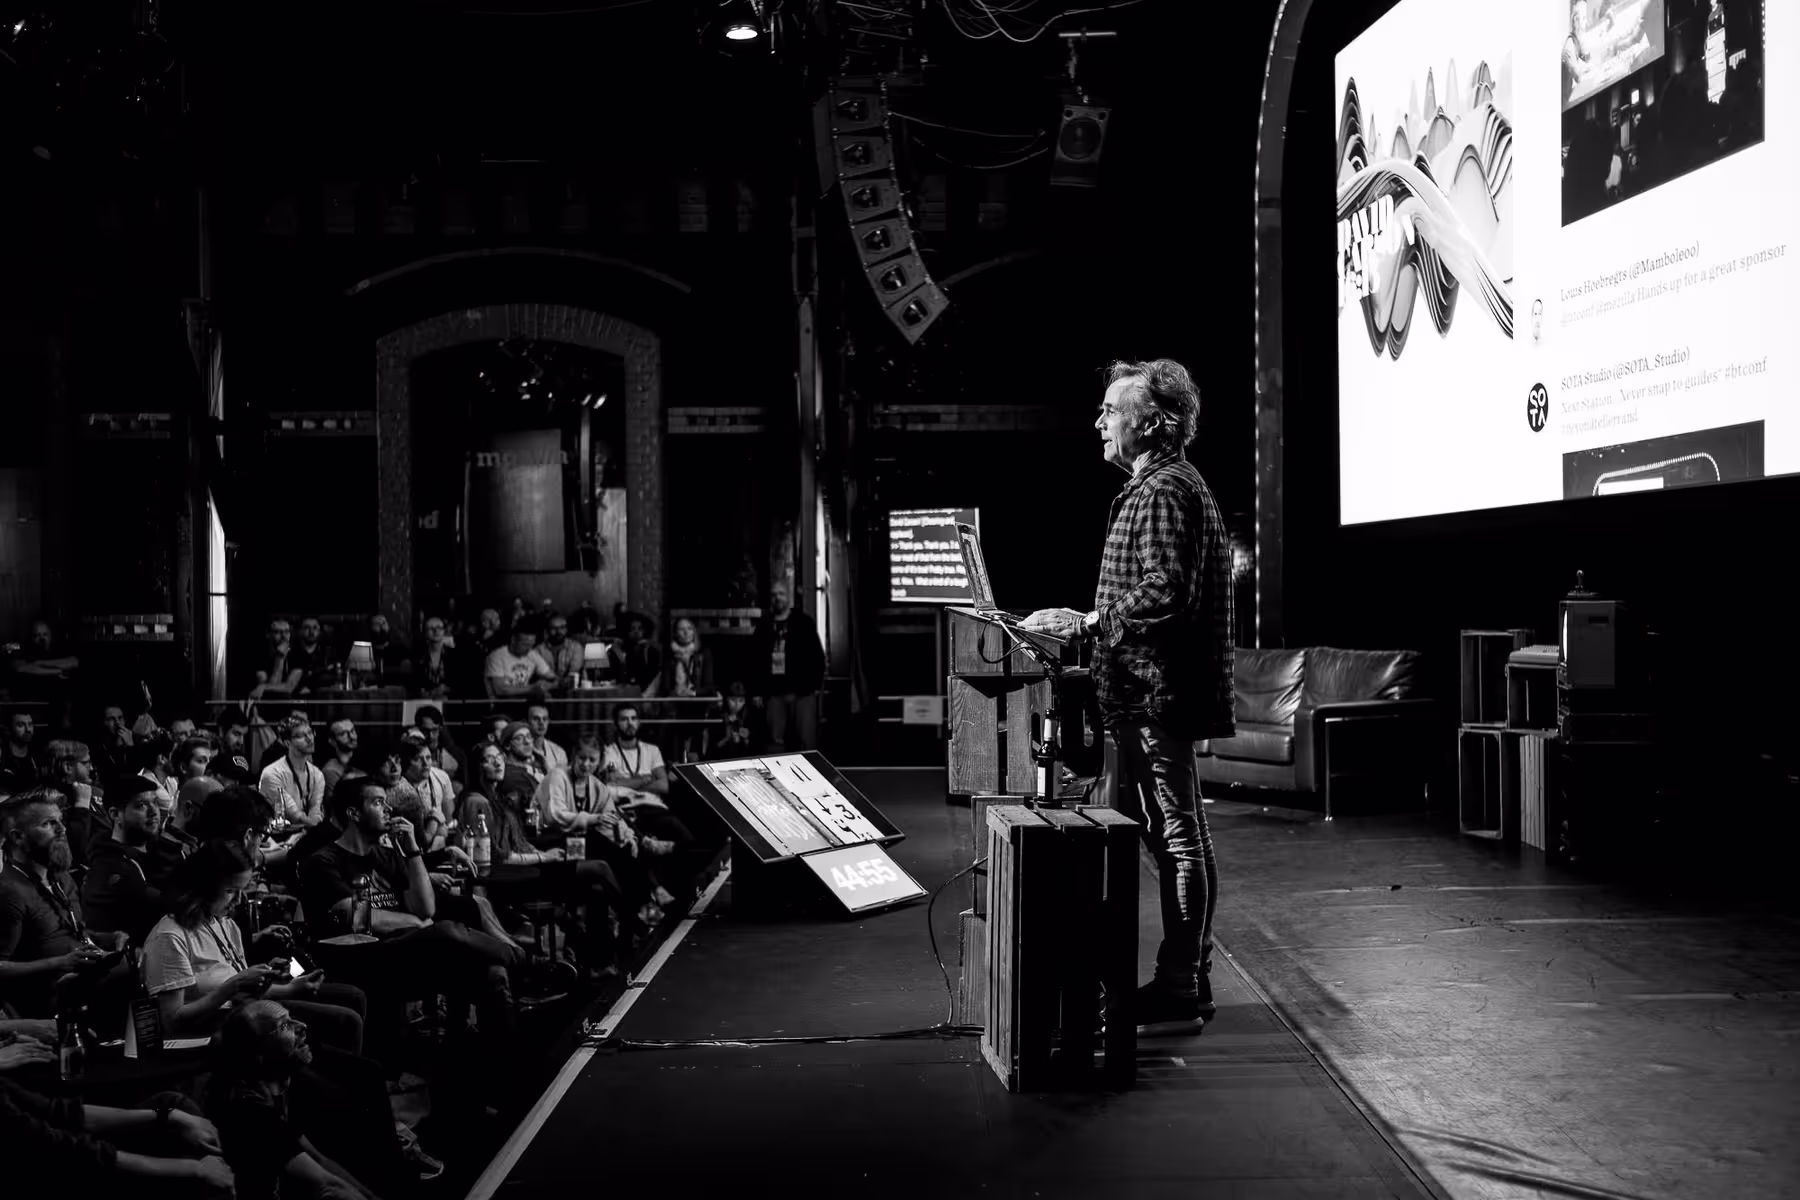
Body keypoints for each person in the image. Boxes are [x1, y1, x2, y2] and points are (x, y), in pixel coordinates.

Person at [1021, 358, 1233, 1032]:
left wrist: (1085, 623)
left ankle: (1179, 983)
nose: (1099, 420)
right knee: (1177, 837)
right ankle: (1185, 975)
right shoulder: (1155, 488)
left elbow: (1166, 589)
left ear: (1154, 420)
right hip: (1140, 691)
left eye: (1112, 408)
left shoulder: (1168, 489)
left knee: (1177, 837)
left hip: (1153, 695)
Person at [143, 839, 368, 1055]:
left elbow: (244, 991)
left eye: (242, 890)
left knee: (353, 996)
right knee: (346, 1020)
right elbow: (172, 1022)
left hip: (248, 1012)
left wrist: (289, 984)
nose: (239, 900)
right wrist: (233, 986)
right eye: (231, 891)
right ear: (203, 887)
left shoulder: (225, 923)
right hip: (225, 1029)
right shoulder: (169, 937)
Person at [207, 999, 431, 1200]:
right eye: (284, 1025)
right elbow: (328, 1184)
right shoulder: (253, 1115)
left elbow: (319, 1159)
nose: (302, 1027)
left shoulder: (272, 1090)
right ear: (258, 1053)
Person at [750, 583, 826, 752]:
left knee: (806, 741)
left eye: (781, 594)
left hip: (802, 693)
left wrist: (812, 687)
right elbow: (754, 660)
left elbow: (817, 658)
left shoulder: (803, 623)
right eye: (774, 594)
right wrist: (756, 691)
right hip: (773, 693)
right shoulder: (764, 626)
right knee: (774, 742)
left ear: (789, 597)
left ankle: (809, 776)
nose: (777, 598)